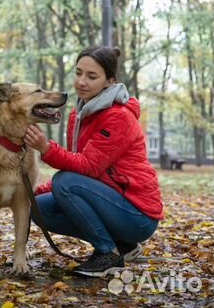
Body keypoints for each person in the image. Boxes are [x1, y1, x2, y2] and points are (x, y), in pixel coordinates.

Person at [24, 45, 163, 278]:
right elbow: (80, 170)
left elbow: (87, 167)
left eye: (91, 76)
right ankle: (123, 246)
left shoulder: (119, 116)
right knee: (36, 207)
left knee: (64, 182)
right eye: (78, 73)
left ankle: (107, 254)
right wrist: (34, 192)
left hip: (138, 215)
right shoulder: (80, 115)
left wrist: (46, 148)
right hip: (111, 200)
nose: (81, 82)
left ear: (109, 81)